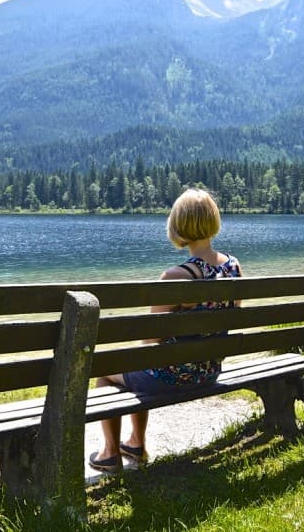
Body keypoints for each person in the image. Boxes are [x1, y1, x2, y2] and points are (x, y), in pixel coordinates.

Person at [88, 188, 243, 472]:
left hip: (173, 378)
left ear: (178, 225)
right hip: (209, 371)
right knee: (135, 365)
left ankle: (111, 452)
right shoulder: (233, 267)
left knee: (105, 368)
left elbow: (150, 340)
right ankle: (134, 442)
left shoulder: (176, 277)